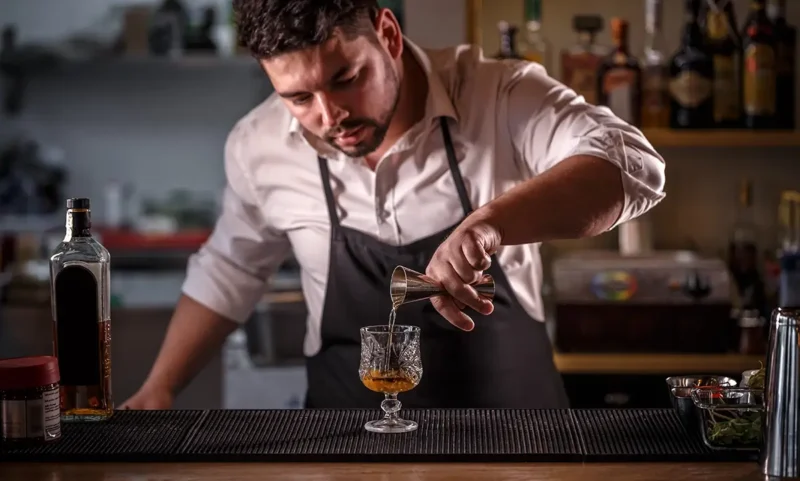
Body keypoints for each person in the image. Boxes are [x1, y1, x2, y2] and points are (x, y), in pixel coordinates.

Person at [121, 0, 665, 410]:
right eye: (299, 98)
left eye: (346, 79)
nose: (330, 115)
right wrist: (158, 389)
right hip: (342, 446)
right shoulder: (257, 145)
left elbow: (634, 165)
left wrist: (491, 224)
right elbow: (230, 269)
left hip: (513, 439)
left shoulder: (498, 96)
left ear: (388, 35)